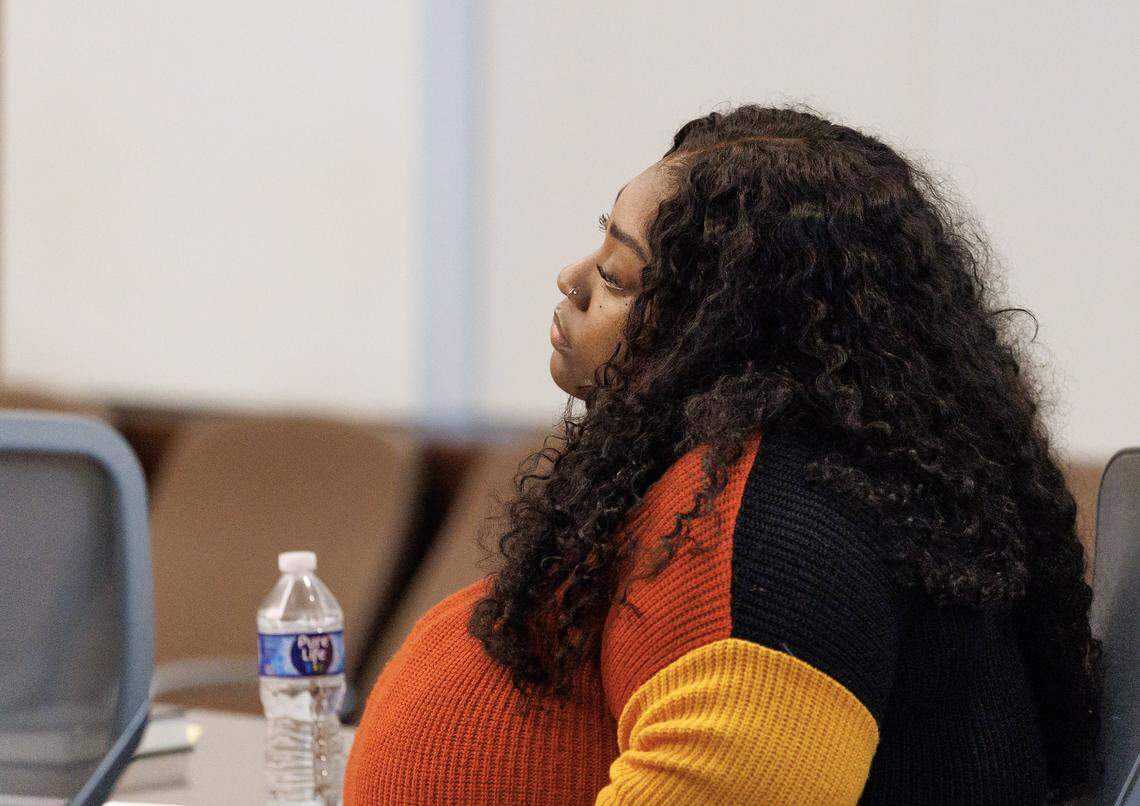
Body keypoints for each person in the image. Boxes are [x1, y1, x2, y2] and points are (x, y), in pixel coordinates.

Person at [344, 104, 1102, 805]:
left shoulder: (781, 535)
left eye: (616, 276)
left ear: (729, 329)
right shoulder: (744, 483)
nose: (572, 281)